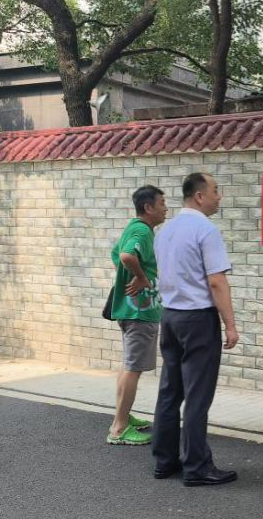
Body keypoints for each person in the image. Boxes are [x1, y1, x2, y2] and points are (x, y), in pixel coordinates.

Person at [151, 173, 239, 487]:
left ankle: (164, 461)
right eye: (215, 190)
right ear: (199, 196)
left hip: (170, 316)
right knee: (198, 395)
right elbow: (216, 281)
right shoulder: (205, 230)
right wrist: (230, 324)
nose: (219, 196)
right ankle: (197, 466)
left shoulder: (165, 230)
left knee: (170, 390)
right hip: (198, 319)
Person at [107, 185, 167, 445]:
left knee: (128, 366)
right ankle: (119, 428)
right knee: (133, 369)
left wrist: (129, 277)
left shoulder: (133, 228)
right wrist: (141, 278)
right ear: (148, 207)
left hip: (129, 309)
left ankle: (122, 417)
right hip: (139, 312)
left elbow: (116, 254)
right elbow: (125, 256)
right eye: (162, 203)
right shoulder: (142, 230)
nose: (166, 208)